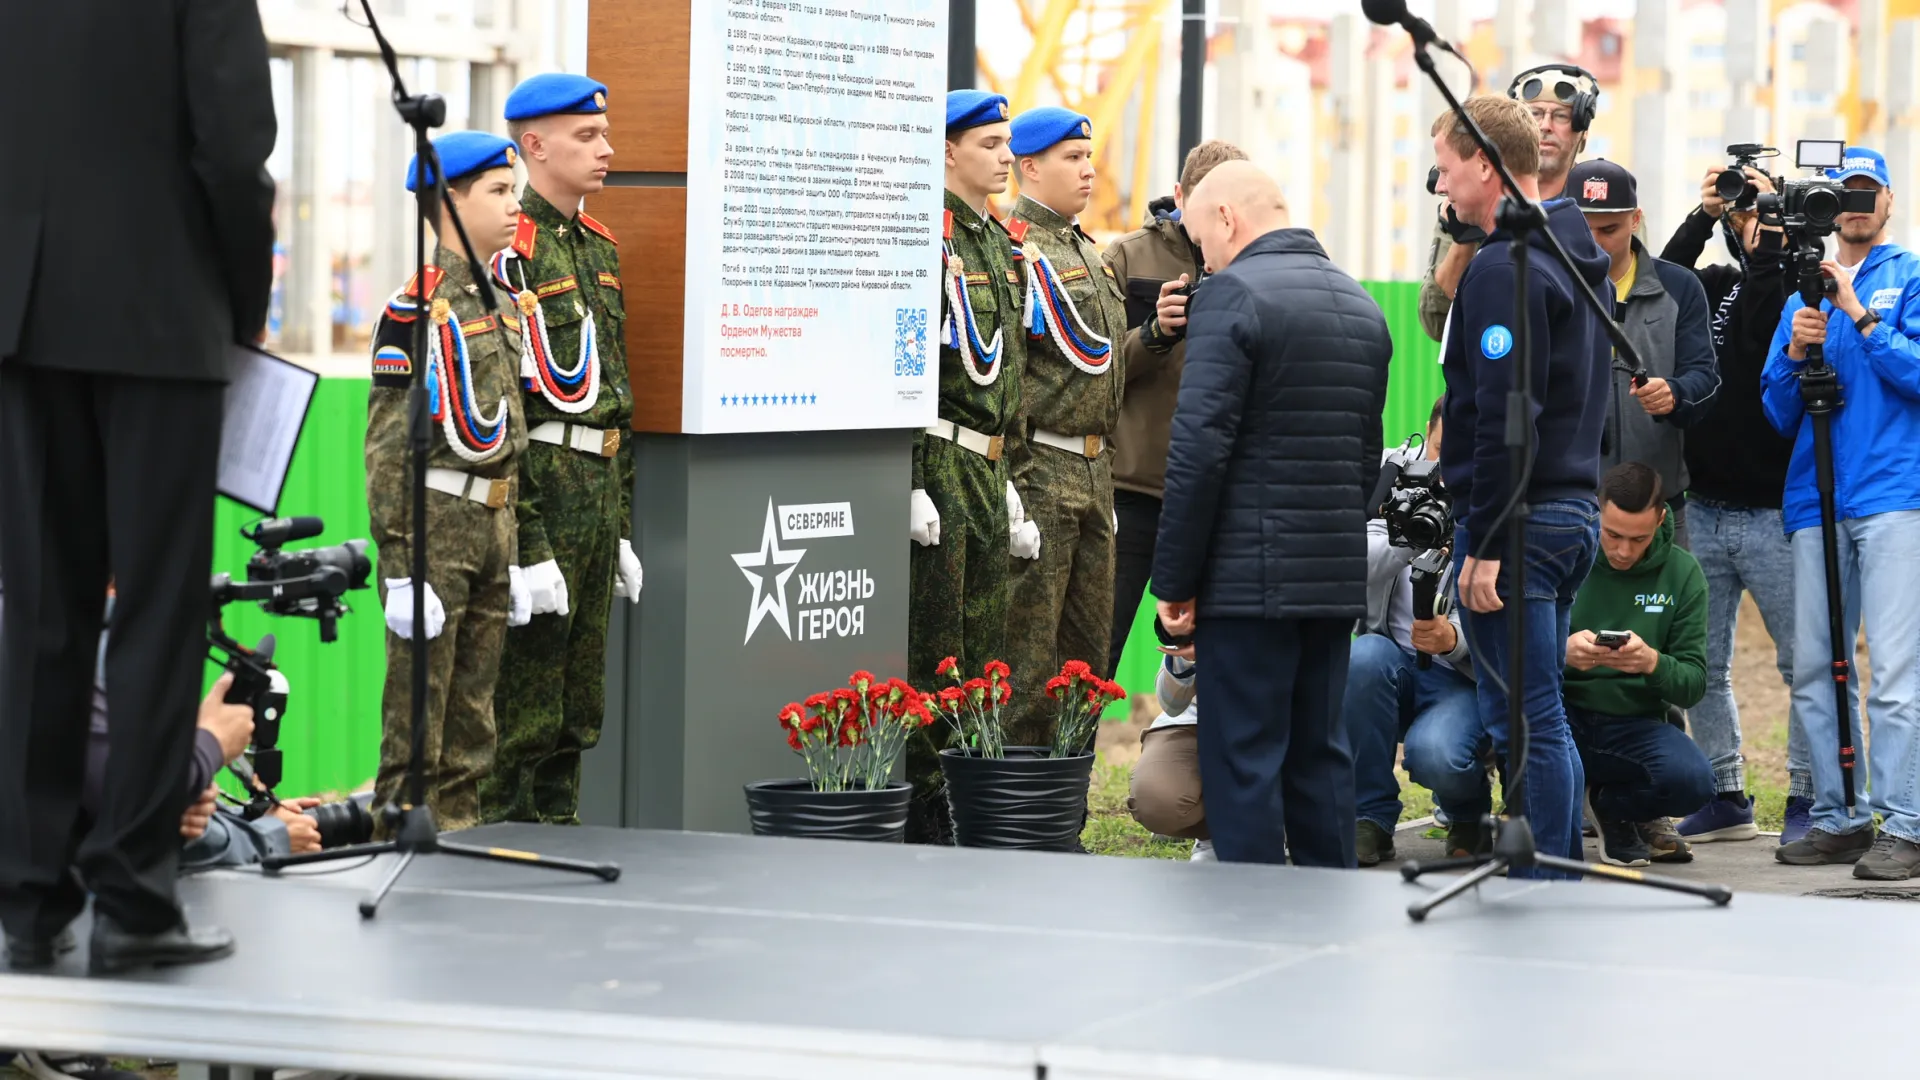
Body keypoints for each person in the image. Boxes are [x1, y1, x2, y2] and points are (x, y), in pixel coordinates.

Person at [0, 0, 276, 974]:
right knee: (157, 611)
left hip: (24, 315)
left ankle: (26, 904)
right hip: (161, 309)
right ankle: (135, 899)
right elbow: (234, 143)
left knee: (42, 610)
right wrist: (242, 302)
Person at [1154, 161, 1391, 867]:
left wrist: (1175, 582)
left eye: (1201, 241)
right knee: (1320, 757)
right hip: (1330, 579)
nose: (1205, 259)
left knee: (1245, 764)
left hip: (1248, 582)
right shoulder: (1359, 305)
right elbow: (1363, 456)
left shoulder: (1232, 295)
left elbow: (1198, 449)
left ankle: (1253, 932)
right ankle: (1326, 918)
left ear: (1226, 217)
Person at [1432, 95, 1611, 879]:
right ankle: (1557, 872)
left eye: (1445, 170)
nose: (1442, 190)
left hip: (1524, 519)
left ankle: (1546, 881)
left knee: (1525, 719)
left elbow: (1510, 417)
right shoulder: (1568, 253)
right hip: (1569, 511)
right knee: (1543, 714)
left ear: (1483, 161)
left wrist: (1489, 541)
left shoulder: (1508, 268)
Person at [484, 74, 641, 826]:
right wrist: (530, 541)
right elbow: (510, 415)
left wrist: (622, 528)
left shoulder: (598, 249)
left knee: (579, 706)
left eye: (604, 134)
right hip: (544, 486)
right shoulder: (512, 253)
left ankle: (558, 843)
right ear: (534, 146)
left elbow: (618, 397)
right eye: (586, 136)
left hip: (597, 490)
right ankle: (501, 859)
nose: (606, 149)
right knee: (523, 708)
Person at [1762, 147, 1920, 879]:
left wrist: (1859, 314)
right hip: (1814, 498)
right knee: (1817, 671)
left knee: (1891, 672)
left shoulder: (1909, 276)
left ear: (1886, 201)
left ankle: (1908, 825)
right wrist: (1797, 352)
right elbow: (1776, 409)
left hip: (1894, 496)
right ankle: (1839, 815)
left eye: (1866, 193)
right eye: (1841, 196)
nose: (1853, 207)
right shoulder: (1802, 291)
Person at [366, 132, 531, 831]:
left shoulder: (501, 297)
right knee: (417, 727)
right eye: (496, 191)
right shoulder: (416, 310)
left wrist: (514, 546)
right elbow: (385, 449)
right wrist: (400, 565)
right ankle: (396, 847)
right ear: (449, 203)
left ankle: (460, 844)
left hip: (492, 523)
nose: (512, 204)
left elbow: (510, 432)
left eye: (514, 189)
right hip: (436, 528)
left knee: (474, 724)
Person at [1661, 163, 1808, 845]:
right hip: (1705, 508)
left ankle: (1809, 797)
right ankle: (1725, 793)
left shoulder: (1797, 289)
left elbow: (1757, 336)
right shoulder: (1711, 284)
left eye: (1761, 209)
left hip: (1775, 513)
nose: (1749, 219)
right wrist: (1705, 213)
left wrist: (1769, 243)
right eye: (1743, 208)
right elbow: (1659, 279)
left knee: (1802, 661)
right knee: (1704, 667)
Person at [905, 90, 1033, 843]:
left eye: (1007, 143)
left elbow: (1005, 371)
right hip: (943, 456)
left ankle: (973, 801)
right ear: (949, 151)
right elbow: (916, 364)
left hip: (986, 464)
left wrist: (1009, 473)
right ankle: (926, 805)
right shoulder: (933, 236)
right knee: (939, 645)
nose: (1005, 157)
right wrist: (911, 476)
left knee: (988, 644)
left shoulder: (994, 240)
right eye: (989, 144)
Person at [1002, 107, 1129, 747]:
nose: (1088, 169)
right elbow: (1012, 375)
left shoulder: (1086, 249)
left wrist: (1153, 335)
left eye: (1088, 156)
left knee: (1087, 654)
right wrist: (1014, 480)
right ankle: (1023, 820)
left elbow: (1096, 362)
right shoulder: (1015, 248)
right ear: (1030, 166)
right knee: (1030, 652)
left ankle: (1064, 813)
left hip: (1094, 468)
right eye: (1072, 159)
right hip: (1043, 467)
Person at [1101, 139, 1248, 676]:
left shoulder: (1252, 260)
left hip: (1216, 494)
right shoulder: (1125, 257)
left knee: (1218, 653)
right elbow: (1094, 371)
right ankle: (1069, 761)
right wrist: (1155, 332)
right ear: (1181, 194)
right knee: (1099, 646)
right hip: (1132, 492)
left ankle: (1206, 759)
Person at [1348, 401, 1484, 865]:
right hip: (1392, 662)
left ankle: (1468, 814)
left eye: (1462, 457)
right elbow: (1352, 560)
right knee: (1362, 658)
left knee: (1436, 755)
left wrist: (1455, 640)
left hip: (1459, 676)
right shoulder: (1393, 472)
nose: (1448, 471)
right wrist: (1411, 534)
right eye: (1442, 450)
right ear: (1428, 431)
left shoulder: (1493, 490)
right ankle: (1369, 817)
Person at [1564, 463, 1714, 867]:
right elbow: (1514, 656)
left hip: (1634, 724)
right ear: (1596, 512)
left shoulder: (1683, 574)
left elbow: (1694, 683)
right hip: (1563, 716)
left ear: (1662, 519)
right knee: (1518, 731)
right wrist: (1562, 655)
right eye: (1613, 535)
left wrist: (1652, 663)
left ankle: (1613, 807)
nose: (1624, 551)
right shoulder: (1565, 553)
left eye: (1639, 538)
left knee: (1696, 783)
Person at [1565, 159, 1718, 547]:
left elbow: (1705, 376)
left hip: (1659, 508)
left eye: (1609, 229)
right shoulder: (1544, 285)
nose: (1595, 242)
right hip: (1569, 506)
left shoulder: (1680, 286)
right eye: (1583, 228)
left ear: (1636, 219)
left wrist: (1675, 393)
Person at [1419, 64, 1601, 342]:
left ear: (1582, 131)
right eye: (1535, 114)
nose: (1545, 126)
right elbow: (1437, 323)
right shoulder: (1466, 204)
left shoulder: (1604, 202)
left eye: (1561, 116)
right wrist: (1467, 237)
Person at [1126, 641, 1214, 862]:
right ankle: (1215, 834)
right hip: (1195, 716)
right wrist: (1188, 655)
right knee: (1157, 801)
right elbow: (1171, 703)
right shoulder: (1197, 609)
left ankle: (1280, 827)